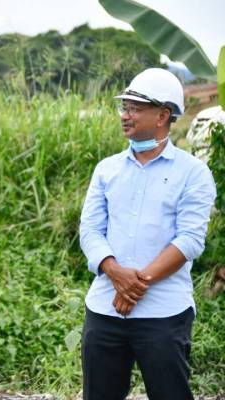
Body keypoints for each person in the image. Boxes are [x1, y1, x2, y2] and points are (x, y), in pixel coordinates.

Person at [79, 68, 216, 400]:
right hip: (104, 311)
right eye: (124, 107)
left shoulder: (193, 173)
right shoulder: (107, 169)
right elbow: (91, 229)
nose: (125, 115)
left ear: (163, 115)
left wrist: (135, 284)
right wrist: (115, 272)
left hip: (164, 315)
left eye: (135, 108)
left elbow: (189, 240)